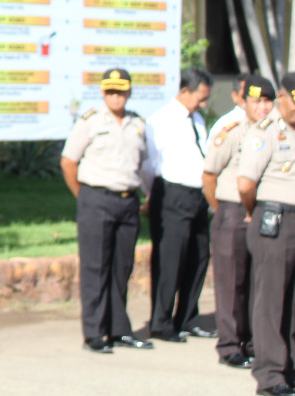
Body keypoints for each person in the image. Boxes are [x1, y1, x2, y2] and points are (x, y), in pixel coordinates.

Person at [61, 68, 152, 353]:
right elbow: (68, 162)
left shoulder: (138, 123)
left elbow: (144, 163)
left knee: (122, 267)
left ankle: (118, 329)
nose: (116, 96)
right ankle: (94, 333)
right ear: (103, 93)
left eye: (121, 91)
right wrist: (84, 196)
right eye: (111, 91)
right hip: (96, 198)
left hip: (127, 201)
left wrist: (147, 195)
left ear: (129, 92)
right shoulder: (90, 121)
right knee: (95, 267)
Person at [203, 74, 270, 370]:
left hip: (262, 212)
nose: (263, 107)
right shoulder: (231, 130)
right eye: (257, 101)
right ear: (244, 102)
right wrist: (221, 209)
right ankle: (230, 345)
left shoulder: (273, 131)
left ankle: (254, 342)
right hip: (231, 211)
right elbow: (209, 175)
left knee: (259, 283)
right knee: (231, 284)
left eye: (268, 101)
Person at [144, 66, 215, 342]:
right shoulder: (160, 120)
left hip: (198, 195)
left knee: (198, 256)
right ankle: (161, 322)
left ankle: (187, 318)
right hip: (171, 193)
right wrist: (153, 194)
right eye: (200, 97)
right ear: (184, 91)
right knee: (169, 259)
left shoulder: (197, 118)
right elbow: (149, 163)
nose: (203, 103)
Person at [238, 73, 295, 396]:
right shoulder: (266, 132)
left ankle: (291, 368)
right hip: (275, 219)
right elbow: (246, 184)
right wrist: (253, 211)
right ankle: (271, 375)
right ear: (283, 98)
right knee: (271, 302)